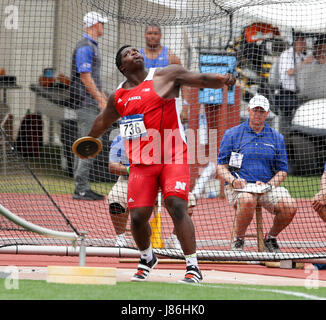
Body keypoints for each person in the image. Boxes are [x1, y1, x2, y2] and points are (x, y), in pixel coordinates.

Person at [86, 45, 236, 283]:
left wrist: (222, 79)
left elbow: (199, 79)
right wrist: (88, 140)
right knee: (137, 217)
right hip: (141, 164)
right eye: (128, 53)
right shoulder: (119, 96)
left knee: (176, 205)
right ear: (122, 67)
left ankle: (192, 267)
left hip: (172, 155)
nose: (135, 52)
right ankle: (147, 258)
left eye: (136, 50)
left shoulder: (165, 75)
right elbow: (103, 119)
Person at [217, 94, 297, 252]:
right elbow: (221, 167)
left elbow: (282, 171)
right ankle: (239, 239)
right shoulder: (232, 134)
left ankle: (271, 237)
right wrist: (233, 181)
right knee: (247, 200)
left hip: (266, 188)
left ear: (267, 113)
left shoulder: (276, 137)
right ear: (248, 110)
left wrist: (269, 185)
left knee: (290, 205)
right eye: (255, 110)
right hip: (238, 187)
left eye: (261, 111)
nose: (258, 114)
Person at [108, 133, 197, 249]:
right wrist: (132, 169)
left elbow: (181, 164)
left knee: (188, 201)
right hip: (130, 180)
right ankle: (121, 238)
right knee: (115, 197)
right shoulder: (122, 137)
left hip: (163, 182)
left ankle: (174, 239)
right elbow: (112, 166)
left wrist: (166, 179)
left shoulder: (171, 135)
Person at [69, 11, 108, 200]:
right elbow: (85, 77)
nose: (103, 26)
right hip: (86, 104)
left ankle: (82, 186)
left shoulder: (91, 46)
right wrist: (101, 100)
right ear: (95, 25)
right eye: (102, 23)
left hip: (89, 103)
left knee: (89, 142)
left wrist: (102, 98)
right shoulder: (85, 47)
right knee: (87, 143)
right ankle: (81, 188)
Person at [140, 23, 189, 124]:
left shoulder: (170, 56)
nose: (152, 36)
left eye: (155, 33)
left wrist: (185, 108)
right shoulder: (138, 57)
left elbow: (184, 81)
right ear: (145, 35)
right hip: (144, 108)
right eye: (149, 33)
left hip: (166, 108)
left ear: (160, 35)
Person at [276, 32, 313, 137]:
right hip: (287, 93)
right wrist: (305, 63)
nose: (305, 43)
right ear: (296, 42)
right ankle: (287, 138)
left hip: (300, 93)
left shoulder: (302, 56)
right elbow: (290, 72)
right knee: (288, 121)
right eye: (303, 41)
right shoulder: (287, 54)